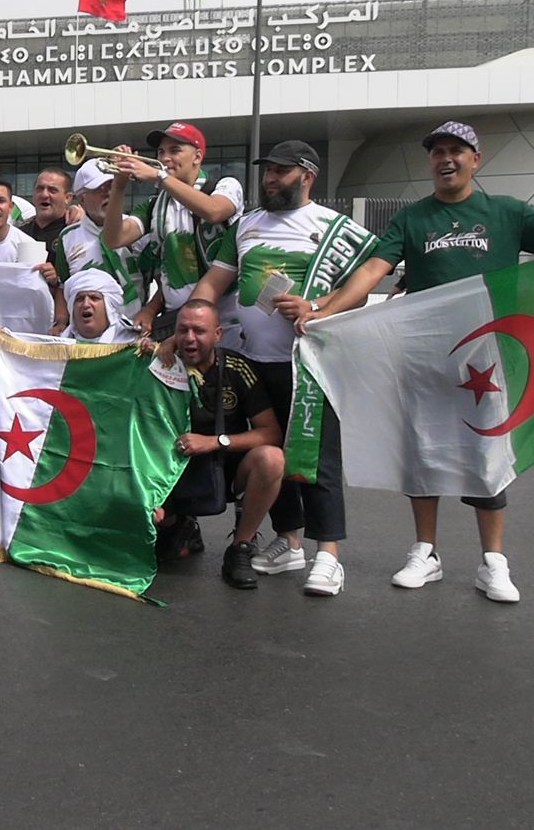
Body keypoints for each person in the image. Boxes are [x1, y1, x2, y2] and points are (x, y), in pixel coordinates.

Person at [300, 121, 534, 603]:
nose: (445, 159)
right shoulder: (411, 218)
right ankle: (426, 551)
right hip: (423, 355)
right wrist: (326, 310)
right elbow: (372, 271)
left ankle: (493, 561)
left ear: (476, 158)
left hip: (489, 357)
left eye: (456, 150)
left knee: (486, 454)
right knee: (422, 451)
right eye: (437, 152)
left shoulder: (506, 212)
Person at [186, 140, 369, 597]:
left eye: (280, 172)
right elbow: (215, 280)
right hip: (252, 362)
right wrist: (192, 318)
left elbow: (360, 291)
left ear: (307, 175)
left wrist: (316, 305)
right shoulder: (247, 225)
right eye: (267, 171)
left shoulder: (333, 226)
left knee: (317, 458)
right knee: (278, 459)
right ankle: (288, 541)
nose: (269, 179)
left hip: (309, 365)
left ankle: (329, 553)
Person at [160, 299, 286, 589]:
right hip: (169, 466)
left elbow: (271, 433)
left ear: (218, 334)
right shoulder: (159, 363)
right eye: (183, 330)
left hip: (224, 464)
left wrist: (215, 442)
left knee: (271, 459)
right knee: (156, 534)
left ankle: (241, 547)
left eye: (199, 331)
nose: (190, 338)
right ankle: (177, 526)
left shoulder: (236, 368)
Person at [105, 122, 244, 340]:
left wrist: (158, 176)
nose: (165, 158)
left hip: (225, 321)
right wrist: (119, 186)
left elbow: (214, 211)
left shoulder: (224, 185)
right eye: (161, 151)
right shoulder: (155, 205)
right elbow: (114, 238)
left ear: (197, 157)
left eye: (175, 150)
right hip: (177, 321)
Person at [50, 159, 146, 332]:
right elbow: (63, 285)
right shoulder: (67, 237)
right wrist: (60, 323)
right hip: (86, 334)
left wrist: (150, 312)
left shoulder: (136, 229)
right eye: (99, 189)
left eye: (112, 186)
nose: (108, 193)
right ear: (82, 199)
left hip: (133, 328)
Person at [61, 268, 137, 344]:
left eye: (94, 298)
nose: (86, 304)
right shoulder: (57, 346)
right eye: (80, 299)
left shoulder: (135, 342)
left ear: (108, 308)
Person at [19, 167, 76, 251]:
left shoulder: (74, 233)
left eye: (52, 190)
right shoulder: (21, 233)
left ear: (67, 198)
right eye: (40, 189)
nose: (44, 195)